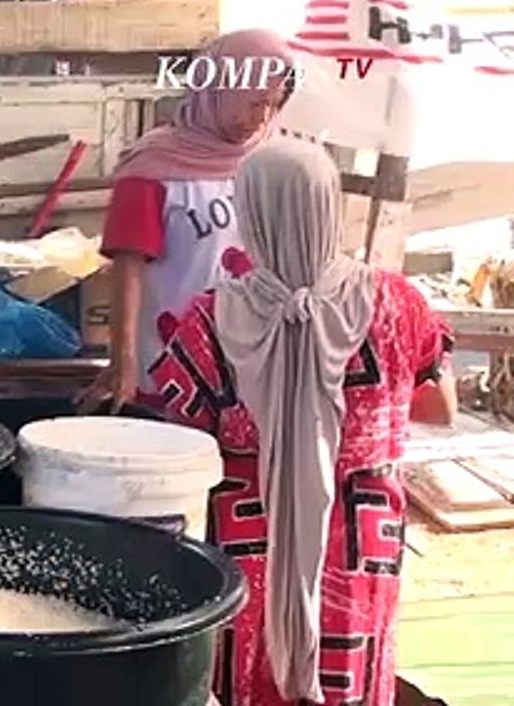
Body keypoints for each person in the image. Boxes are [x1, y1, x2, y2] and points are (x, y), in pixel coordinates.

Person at [148, 138, 457, 706]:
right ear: (329, 205)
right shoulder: (398, 304)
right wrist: (355, 411)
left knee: (244, 673)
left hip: (248, 536)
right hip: (361, 534)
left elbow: (182, 446)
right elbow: (442, 408)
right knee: (354, 677)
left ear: (252, 212)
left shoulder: (209, 321)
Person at [85, 29, 296, 409]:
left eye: (272, 104)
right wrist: (124, 359)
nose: (261, 117)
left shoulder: (272, 158)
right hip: (170, 358)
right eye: (252, 104)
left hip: (251, 356)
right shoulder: (152, 167)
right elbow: (127, 269)